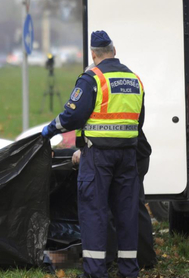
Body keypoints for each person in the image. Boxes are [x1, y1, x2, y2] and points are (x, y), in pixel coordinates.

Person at [42, 30, 145, 278]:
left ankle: (96, 273)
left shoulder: (93, 79)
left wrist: (49, 130)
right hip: (128, 156)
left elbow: (73, 116)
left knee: (94, 213)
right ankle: (129, 271)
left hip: (98, 156)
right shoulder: (135, 80)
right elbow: (138, 122)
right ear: (114, 51)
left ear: (93, 54)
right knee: (126, 212)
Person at [104, 130, 156, 271]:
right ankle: (143, 259)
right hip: (137, 153)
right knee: (135, 206)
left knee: (132, 207)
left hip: (131, 154)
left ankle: (141, 259)